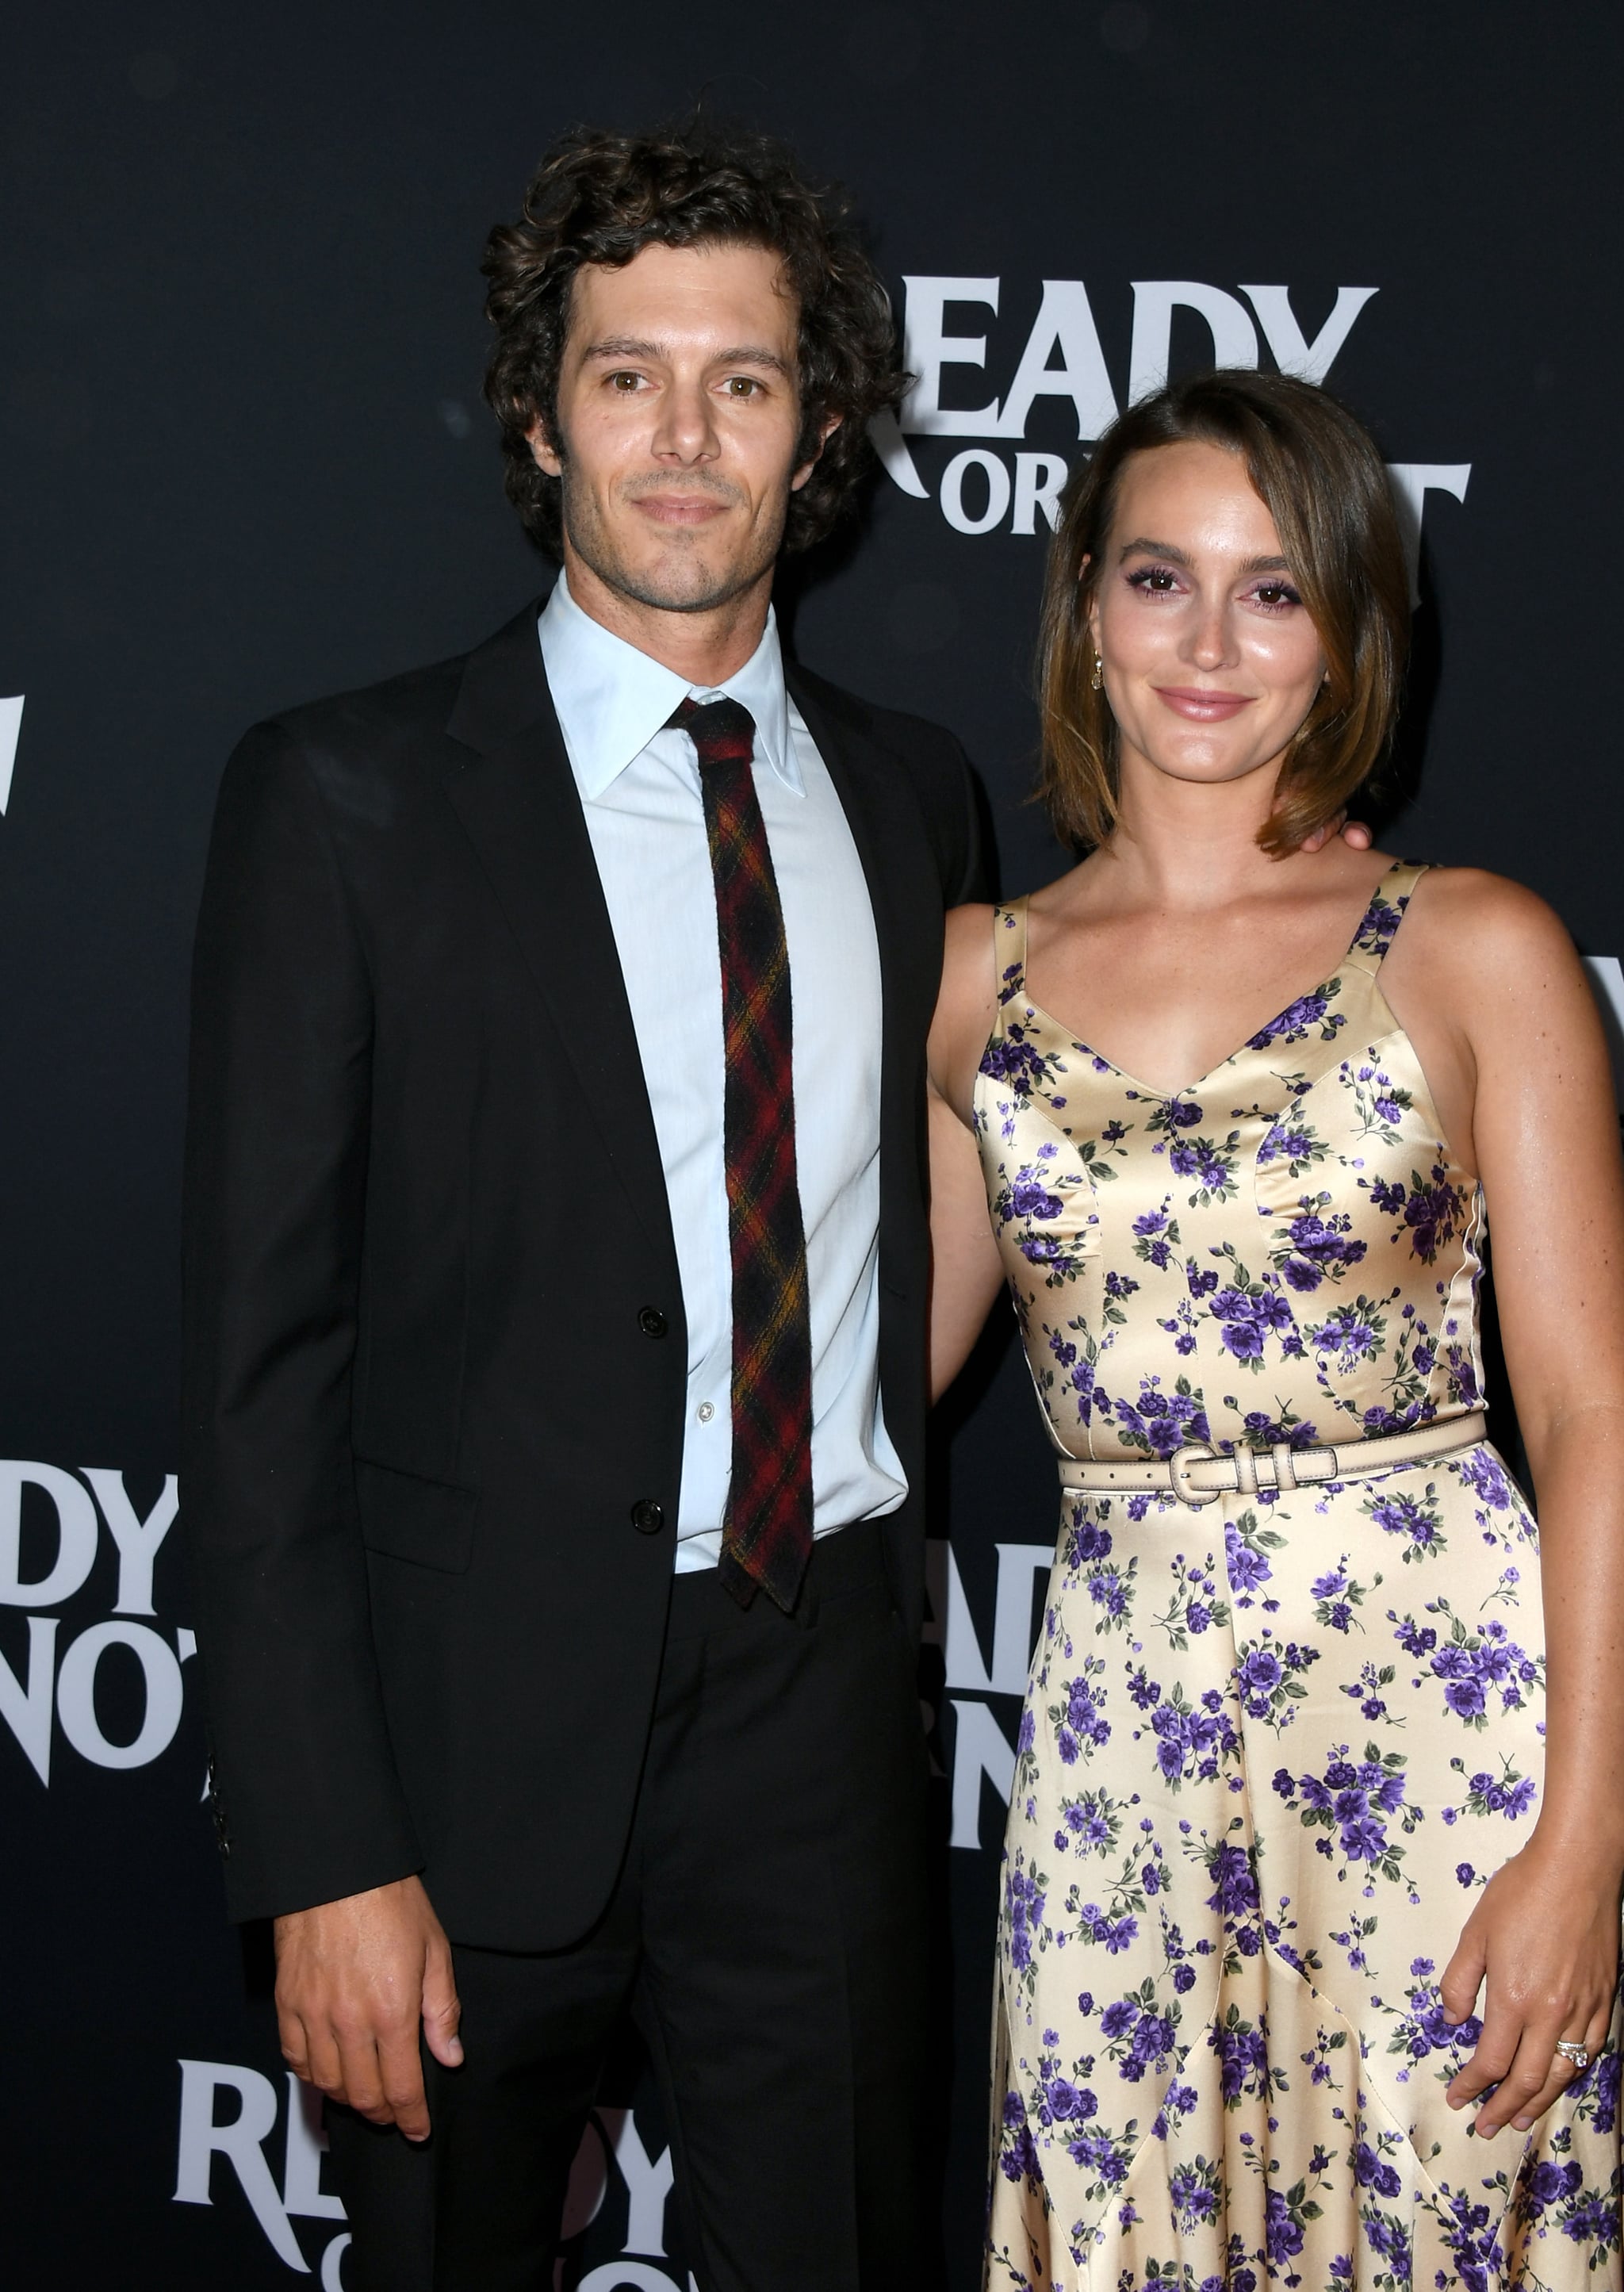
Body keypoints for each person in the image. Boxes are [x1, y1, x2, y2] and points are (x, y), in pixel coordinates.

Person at [179, 120, 987, 2291]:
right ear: (541, 423)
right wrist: (322, 1854)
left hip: (817, 1713)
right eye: (629, 376)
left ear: (820, 434)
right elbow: (257, 1380)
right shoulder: (342, 796)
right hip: (461, 1748)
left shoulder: (909, 799)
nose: (686, 438)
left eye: (745, 380)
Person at [926, 370, 1624, 2290]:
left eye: (1273, 590)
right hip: (1114, 1740)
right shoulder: (970, 979)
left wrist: (1581, 1847)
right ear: (1085, 606)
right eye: (1159, 577)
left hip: (1442, 1726)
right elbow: (856, 1394)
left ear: (1346, 636)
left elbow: (1590, 1414)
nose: (1209, 644)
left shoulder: (1471, 944)